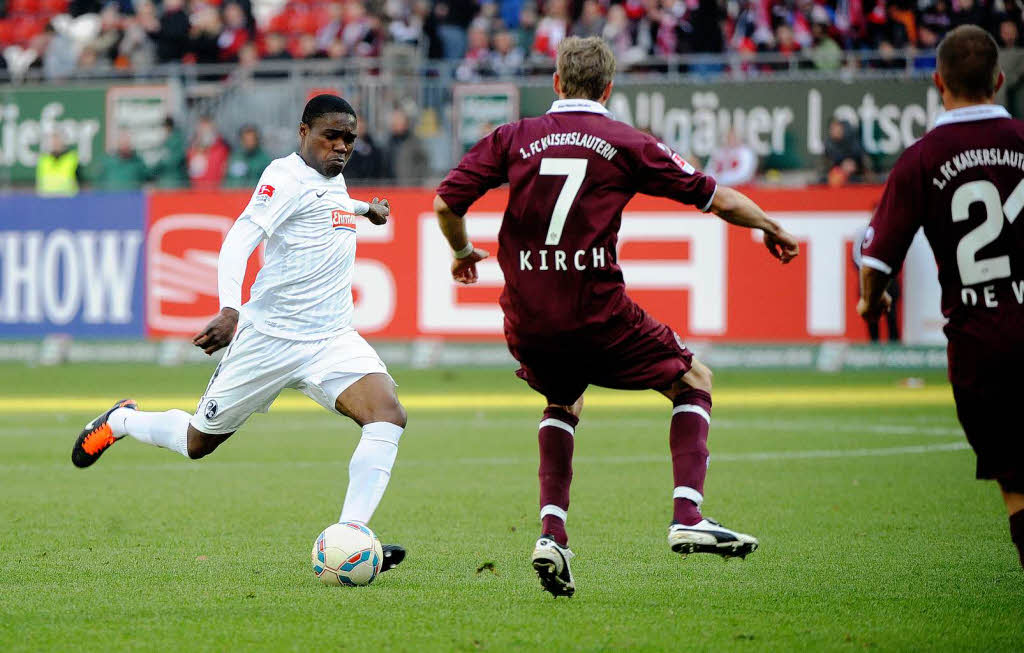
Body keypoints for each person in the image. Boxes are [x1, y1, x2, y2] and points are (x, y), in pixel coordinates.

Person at [433, 36, 800, 598]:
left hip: (529, 316)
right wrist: (770, 226)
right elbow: (715, 198)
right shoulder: (626, 141)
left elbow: (446, 202)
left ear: (556, 83)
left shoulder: (513, 136)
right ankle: (688, 516)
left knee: (563, 401)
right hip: (597, 310)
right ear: (608, 88)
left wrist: (462, 254)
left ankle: (552, 534)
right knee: (693, 378)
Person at [71, 95, 409, 572]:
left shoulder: (331, 178)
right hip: (268, 339)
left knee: (387, 414)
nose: (340, 147)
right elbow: (239, 239)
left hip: (330, 337)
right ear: (303, 133)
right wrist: (230, 308)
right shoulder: (282, 176)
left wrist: (362, 210)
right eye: (330, 136)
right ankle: (122, 421)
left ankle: (350, 535)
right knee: (197, 442)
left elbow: (324, 204)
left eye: (348, 139)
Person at [858, 25, 1024, 570]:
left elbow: (877, 260)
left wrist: (871, 301)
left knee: (1017, 487)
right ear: (999, 81)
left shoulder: (922, 159)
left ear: (937, 83)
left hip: (983, 349)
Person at [36, 131, 80, 197]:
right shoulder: (44, 159)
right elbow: (39, 182)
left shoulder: (71, 158)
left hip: (67, 198)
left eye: (58, 141)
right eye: (53, 141)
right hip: (46, 198)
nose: (55, 144)